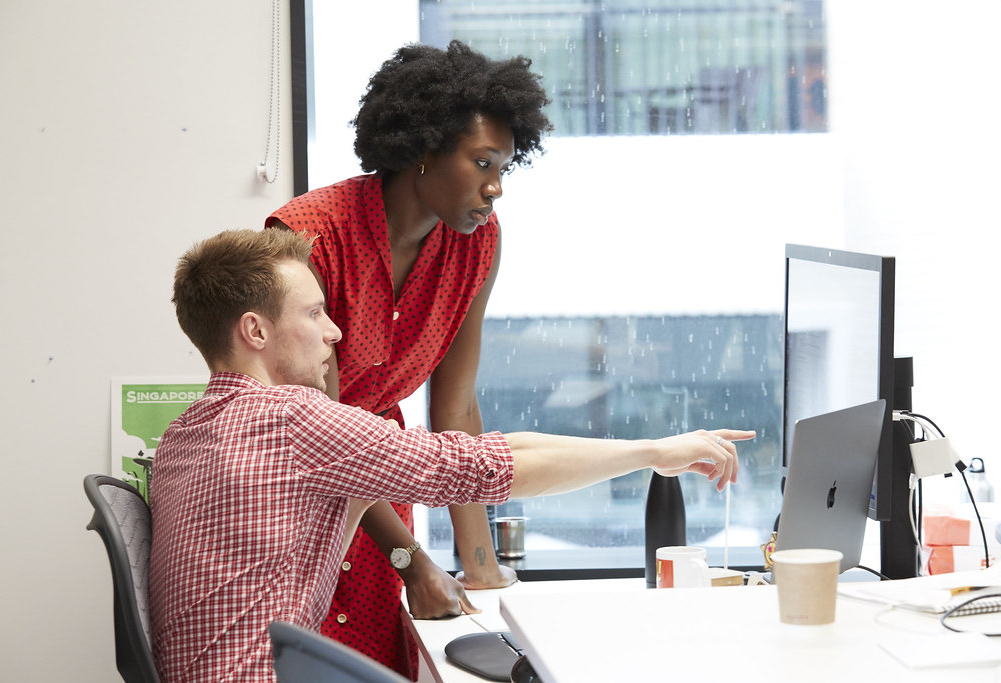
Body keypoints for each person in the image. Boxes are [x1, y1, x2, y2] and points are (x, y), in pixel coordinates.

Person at [148, 228, 752, 683]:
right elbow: (486, 468)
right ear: (255, 331)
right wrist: (654, 452)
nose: (334, 331)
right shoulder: (290, 421)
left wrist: (650, 451)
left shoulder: (187, 433)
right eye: (313, 313)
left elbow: (481, 454)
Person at [265, 40, 553, 676]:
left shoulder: (478, 244)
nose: (495, 188)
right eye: (482, 162)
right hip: (294, 499)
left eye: (504, 167)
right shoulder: (307, 235)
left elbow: (456, 408)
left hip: (380, 493)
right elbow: (323, 434)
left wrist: (480, 567)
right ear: (424, 148)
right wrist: (411, 560)